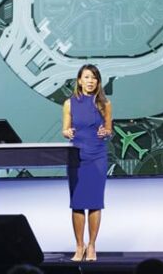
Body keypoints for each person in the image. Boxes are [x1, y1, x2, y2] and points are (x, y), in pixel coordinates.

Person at [62, 64, 112, 262]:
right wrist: (67, 132)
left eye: (94, 78)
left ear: (98, 82)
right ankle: (79, 246)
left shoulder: (105, 104)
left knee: (94, 203)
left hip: (97, 156)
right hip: (76, 156)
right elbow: (65, 129)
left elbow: (109, 129)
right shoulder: (69, 103)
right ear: (79, 81)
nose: (90, 81)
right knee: (77, 203)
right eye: (87, 77)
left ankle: (91, 246)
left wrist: (106, 131)